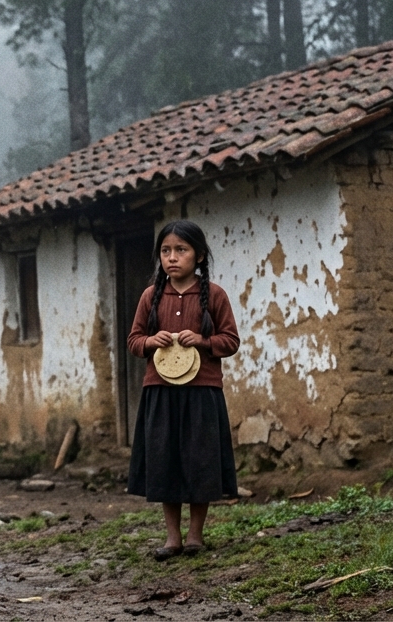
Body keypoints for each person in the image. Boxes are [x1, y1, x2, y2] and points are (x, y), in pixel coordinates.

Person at [125, 220, 241, 561]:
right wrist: (149, 341)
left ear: (199, 256)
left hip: (202, 391)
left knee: (198, 461)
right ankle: (172, 537)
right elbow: (132, 341)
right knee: (165, 462)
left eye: (181, 250)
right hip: (160, 391)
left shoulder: (215, 295)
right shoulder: (151, 296)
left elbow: (231, 341)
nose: (172, 257)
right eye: (166, 251)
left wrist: (203, 341)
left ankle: (195, 535)